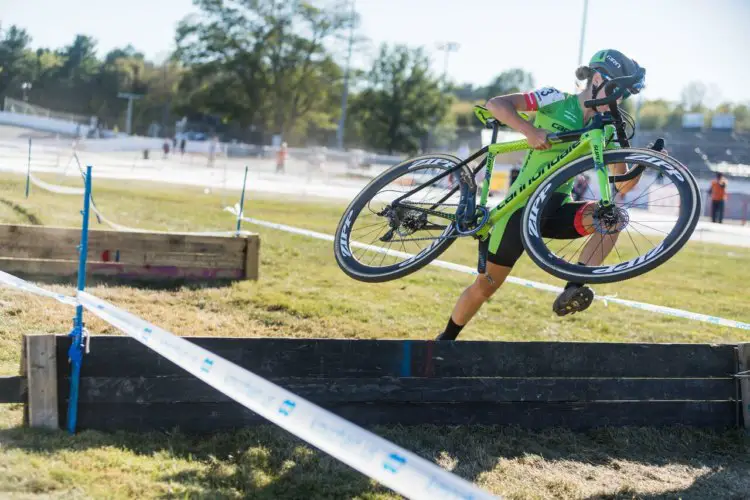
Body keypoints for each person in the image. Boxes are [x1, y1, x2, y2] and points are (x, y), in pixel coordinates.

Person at [436, 49, 646, 341]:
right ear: (597, 79)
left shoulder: (606, 127)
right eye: (616, 91)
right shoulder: (556, 99)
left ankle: (574, 285)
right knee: (486, 286)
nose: (619, 101)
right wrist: (529, 130)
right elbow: (497, 104)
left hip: (555, 206)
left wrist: (645, 164)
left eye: (623, 96)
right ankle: (445, 340)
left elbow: (622, 186)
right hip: (520, 208)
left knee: (612, 218)